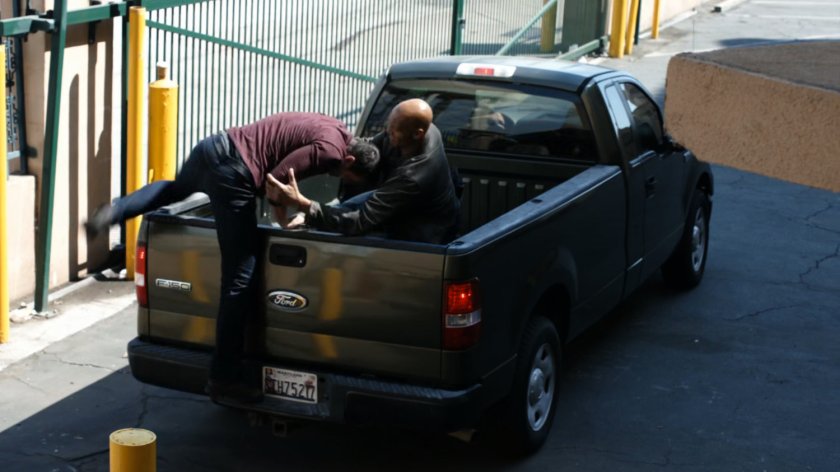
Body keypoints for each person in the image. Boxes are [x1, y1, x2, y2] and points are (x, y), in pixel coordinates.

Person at [85, 112, 379, 403]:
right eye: (346, 175)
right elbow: (276, 179)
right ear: (350, 161)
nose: (339, 178)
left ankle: (115, 210)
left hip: (214, 145)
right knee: (240, 279)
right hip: (234, 172)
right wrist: (284, 222)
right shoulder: (331, 152)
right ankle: (224, 378)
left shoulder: (338, 129)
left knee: (174, 189)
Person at [266, 99, 460, 244]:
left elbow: (358, 222)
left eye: (393, 133)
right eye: (387, 129)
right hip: (405, 203)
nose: (387, 135)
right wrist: (334, 148)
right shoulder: (419, 128)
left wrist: (302, 204)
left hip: (423, 232)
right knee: (346, 207)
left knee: (352, 236)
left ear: (418, 134)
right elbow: (369, 146)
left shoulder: (413, 175)